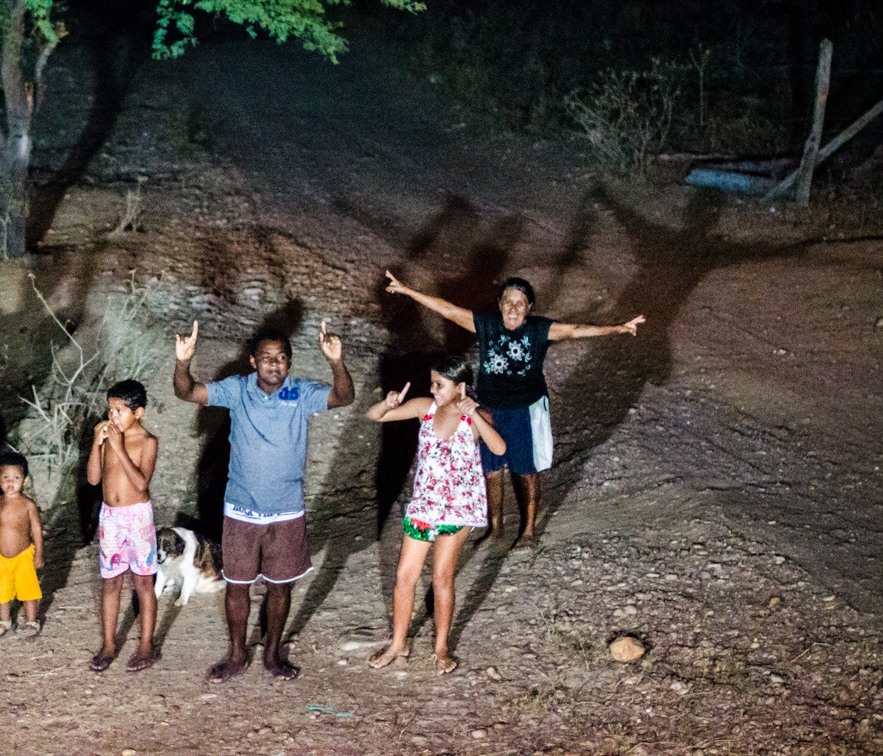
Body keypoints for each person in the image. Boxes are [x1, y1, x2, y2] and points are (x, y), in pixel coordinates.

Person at [385, 271, 644, 547]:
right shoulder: (486, 324)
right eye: (508, 302)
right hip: (487, 408)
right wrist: (408, 291)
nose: (513, 309)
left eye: (520, 303)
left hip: (524, 409)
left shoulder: (537, 329)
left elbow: (574, 330)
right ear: (499, 304)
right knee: (491, 470)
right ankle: (495, 527)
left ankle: (528, 530)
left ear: (529, 308)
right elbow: (448, 310)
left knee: (526, 470)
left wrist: (617, 328)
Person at [173, 320, 355, 683]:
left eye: (282, 358)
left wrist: (336, 361)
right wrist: (183, 362)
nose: (275, 364)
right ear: (253, 362)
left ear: (290, 363)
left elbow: (343, 397)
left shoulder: (301, 392)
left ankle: (272, 654)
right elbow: (188, 392)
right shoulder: (237, 390)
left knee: (280, 585)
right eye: (267, 357)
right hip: (241, 508)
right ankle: (237, 654)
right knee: (237, 585)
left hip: (287, 508)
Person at [366, 356, 506, 674]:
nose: (433, 389)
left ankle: (441, 648)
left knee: (442, 577)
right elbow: (375, 417)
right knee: (405, 576)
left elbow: (498, 449)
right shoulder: (423, 407)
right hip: (424, 506)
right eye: (432, 383)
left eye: (439, 384)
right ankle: (398, 643)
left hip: (458, 509)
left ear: (460, 387)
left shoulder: (476, 417)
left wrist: (475, 414)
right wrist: (387, 403)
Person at [86, 379, 160, 672]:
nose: (112, 417)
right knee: (111, 581)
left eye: (119, 411)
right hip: (111, 518)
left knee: (143, 582)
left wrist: (117, 448)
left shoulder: (147, 442)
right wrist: (97, 443)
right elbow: (93, 479)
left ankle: (146, 645)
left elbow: (141, 483)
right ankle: (108, 643)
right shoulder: (107, 438)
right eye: (110, 410)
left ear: (138, 412)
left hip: (138, 517)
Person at [0, 450, 45, 638]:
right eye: (6, 477)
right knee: (2, 591)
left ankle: (31, 620)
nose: (11, 482)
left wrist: (39, 554)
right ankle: (4, 621)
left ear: (25, 480)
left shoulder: (28, 505)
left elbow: (36, 531)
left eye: (16, 477)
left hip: (24, 555)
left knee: (28, 590)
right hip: (1, 556)